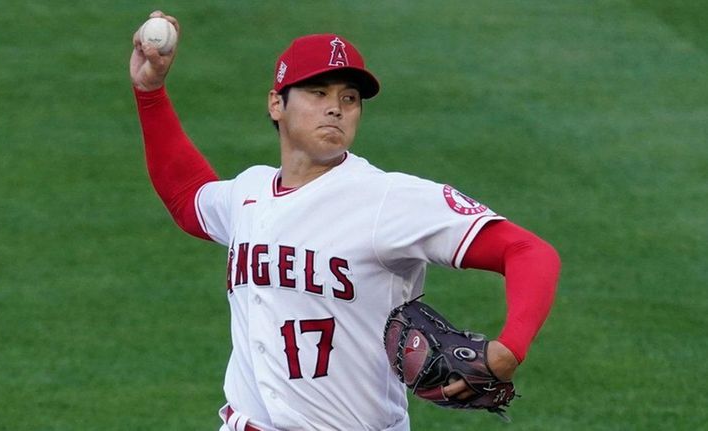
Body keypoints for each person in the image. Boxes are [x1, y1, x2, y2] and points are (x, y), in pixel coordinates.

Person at [130, 11, 560, 431]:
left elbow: (527, 251)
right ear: (276, 103)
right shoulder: (250, 192)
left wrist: (509, 349)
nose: (335, 108)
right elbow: (188, 197)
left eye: (348, 98)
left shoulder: (388, 199)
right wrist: (149, 91)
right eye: (318, 93)